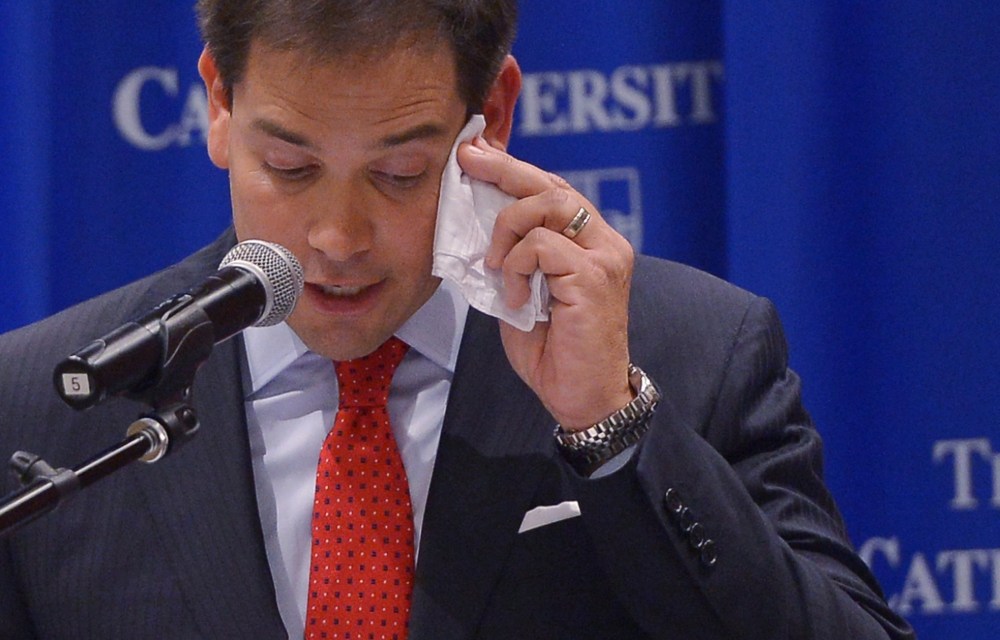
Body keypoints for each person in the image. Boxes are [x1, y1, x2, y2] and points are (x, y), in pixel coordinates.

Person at [0, 1, 915, 638]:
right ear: (218, 105)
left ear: (494, 117)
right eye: (288, 165)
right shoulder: (44, 406)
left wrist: (611, 425)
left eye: (400, 174)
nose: (336, 237)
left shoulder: (690, 349)